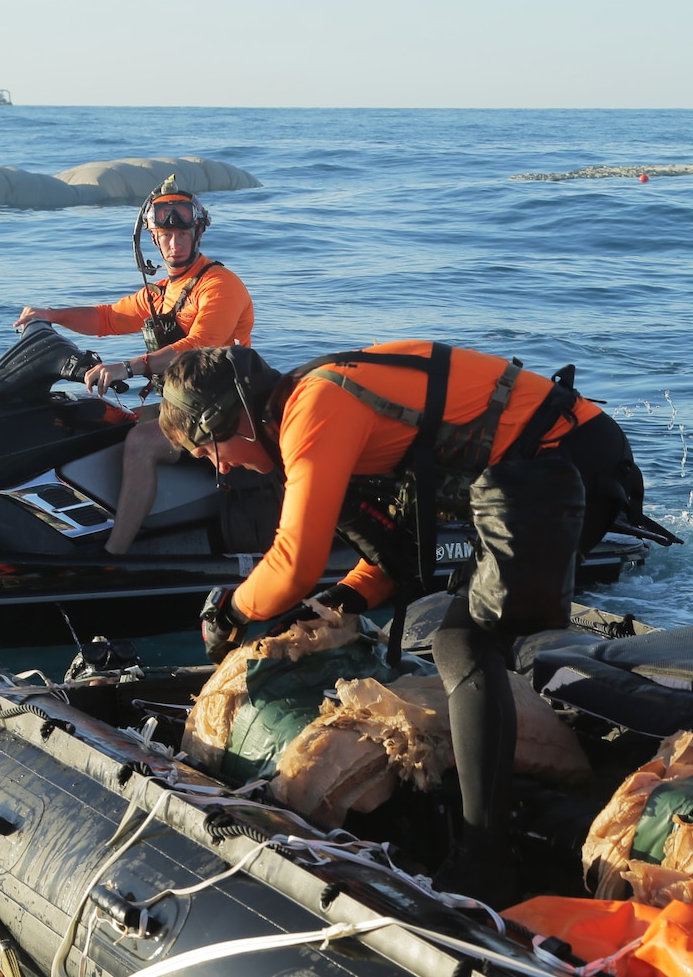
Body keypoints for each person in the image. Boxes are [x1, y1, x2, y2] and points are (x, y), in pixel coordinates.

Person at [157, 342, 652, 905]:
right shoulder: (306, 411)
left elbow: (293, 563)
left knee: (464, 643)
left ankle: (483, 859)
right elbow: (396, 563)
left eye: (210, 450)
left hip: (561, 457)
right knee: (461, 629)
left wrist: (232, 610)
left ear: (233, 417)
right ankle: (476, 812)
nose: (221, 468)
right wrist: (339, 603)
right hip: (528, 467)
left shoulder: (314, 407)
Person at [14, 183, 255, 555]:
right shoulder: (161, 292)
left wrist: (129, 367)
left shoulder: (220, 285)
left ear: (199, 233)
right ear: (154, 240)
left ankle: (114, 555)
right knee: (97, 421)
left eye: (182, 234)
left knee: (141, 443)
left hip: (228, 410)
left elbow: (199, 345)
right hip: (187, 405)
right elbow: (107, 318)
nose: (175, 244)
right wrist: (52, 315)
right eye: (165, 235)